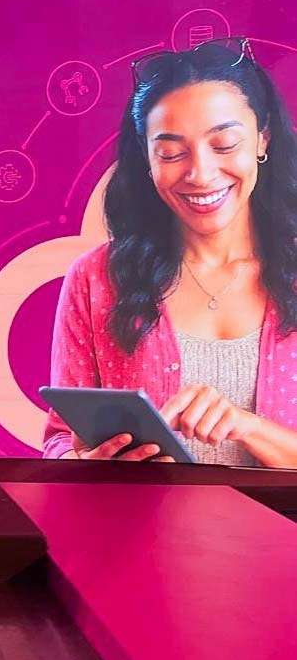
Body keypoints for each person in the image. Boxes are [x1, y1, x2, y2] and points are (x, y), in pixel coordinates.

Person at [45, 37, 297, 467]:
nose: (200, 173)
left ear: (263, 139)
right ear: (147, 159)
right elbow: (60, 441)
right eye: (171, 153)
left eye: (224, 145)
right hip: (142, 516)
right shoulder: (97, 278)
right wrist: (90, 463)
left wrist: (247, 427)